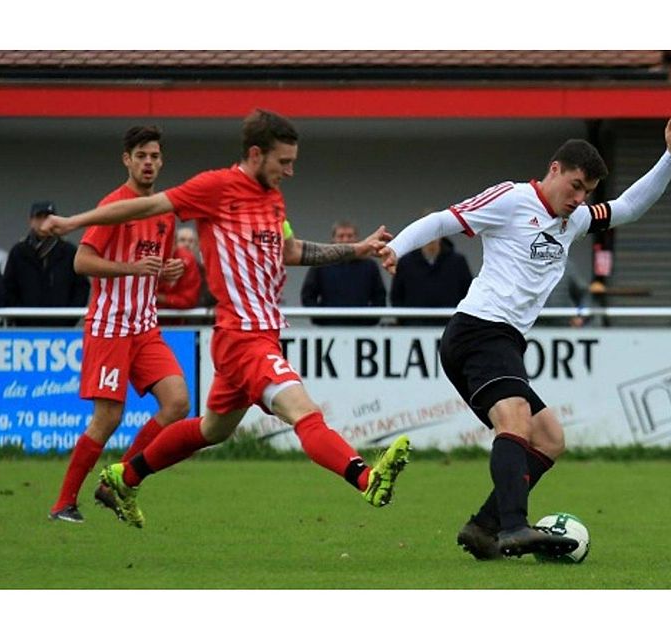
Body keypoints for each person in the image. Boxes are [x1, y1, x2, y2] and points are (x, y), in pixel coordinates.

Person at [43, 109, 411, 528]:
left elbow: (290, 252)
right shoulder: (215, 187)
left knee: (212, 429)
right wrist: (73, 221)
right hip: (242, 337)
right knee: (304, 412)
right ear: (256, 154)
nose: (289, 171)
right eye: (283, 162)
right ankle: (367, 479)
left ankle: (124, 478)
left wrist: (357, 249)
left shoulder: (272, 196)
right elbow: (145, 205)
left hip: (260, 334)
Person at [379, 113, 671, 560]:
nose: (579, 198)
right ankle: (513, 527)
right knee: (516, 422)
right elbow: (443, 221)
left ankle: (484, 527)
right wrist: (396, 248)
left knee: (549, 439)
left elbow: (628, 208)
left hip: (504, 340)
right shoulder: (512, 199)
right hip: (477, 330)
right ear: (555, 169)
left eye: (587, 192)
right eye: (576, 185)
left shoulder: (575, 220)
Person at [49, 125, 191, 523]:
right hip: (110, 327)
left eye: (155, 156)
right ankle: (64, 503)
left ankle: (119, 480)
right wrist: (132, 267)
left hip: (145, 327)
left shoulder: (162, 212)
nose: (149, 163)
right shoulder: (113, 205)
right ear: (126, 160)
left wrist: (167, 271)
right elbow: (82, 262)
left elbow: (151, 266)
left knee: (178, 402)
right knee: (108, 418)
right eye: (141, 156)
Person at [3, 201, 90, 327]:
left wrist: (69, 318)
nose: (43, 222)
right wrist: (19, 316)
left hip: (62, 327)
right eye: (39, 217)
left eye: (48, 218)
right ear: (31, 221)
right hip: (25, 328)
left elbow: (81, 287)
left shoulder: (68, 251)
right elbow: (8, 287)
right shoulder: (19, 252)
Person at [300, 220, 387, 326]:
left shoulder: (369, 265)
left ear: (357, 239)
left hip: (362, 329)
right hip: (329, 328)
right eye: (341, 236)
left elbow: (379, 296)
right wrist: (320, 319)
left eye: (350, 236)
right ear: (333, 239)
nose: (345, 240)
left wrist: (371, 320)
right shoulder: (321, 264)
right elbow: (308, 295)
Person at [389, 235, 473, 326]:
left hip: (450, 327)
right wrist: (405, 321)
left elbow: (468, 293)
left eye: (435, 232)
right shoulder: (405, 263)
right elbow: (396, 296)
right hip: (414, 329)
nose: (431, 237)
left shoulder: (458, 262)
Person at [156, 224, 215, 322]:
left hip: (182, 322)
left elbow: (189, 300)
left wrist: (159, 297)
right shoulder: (145, 257)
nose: (187, 244)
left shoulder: (193, 264)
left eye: (191, 241)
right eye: (182, 240)